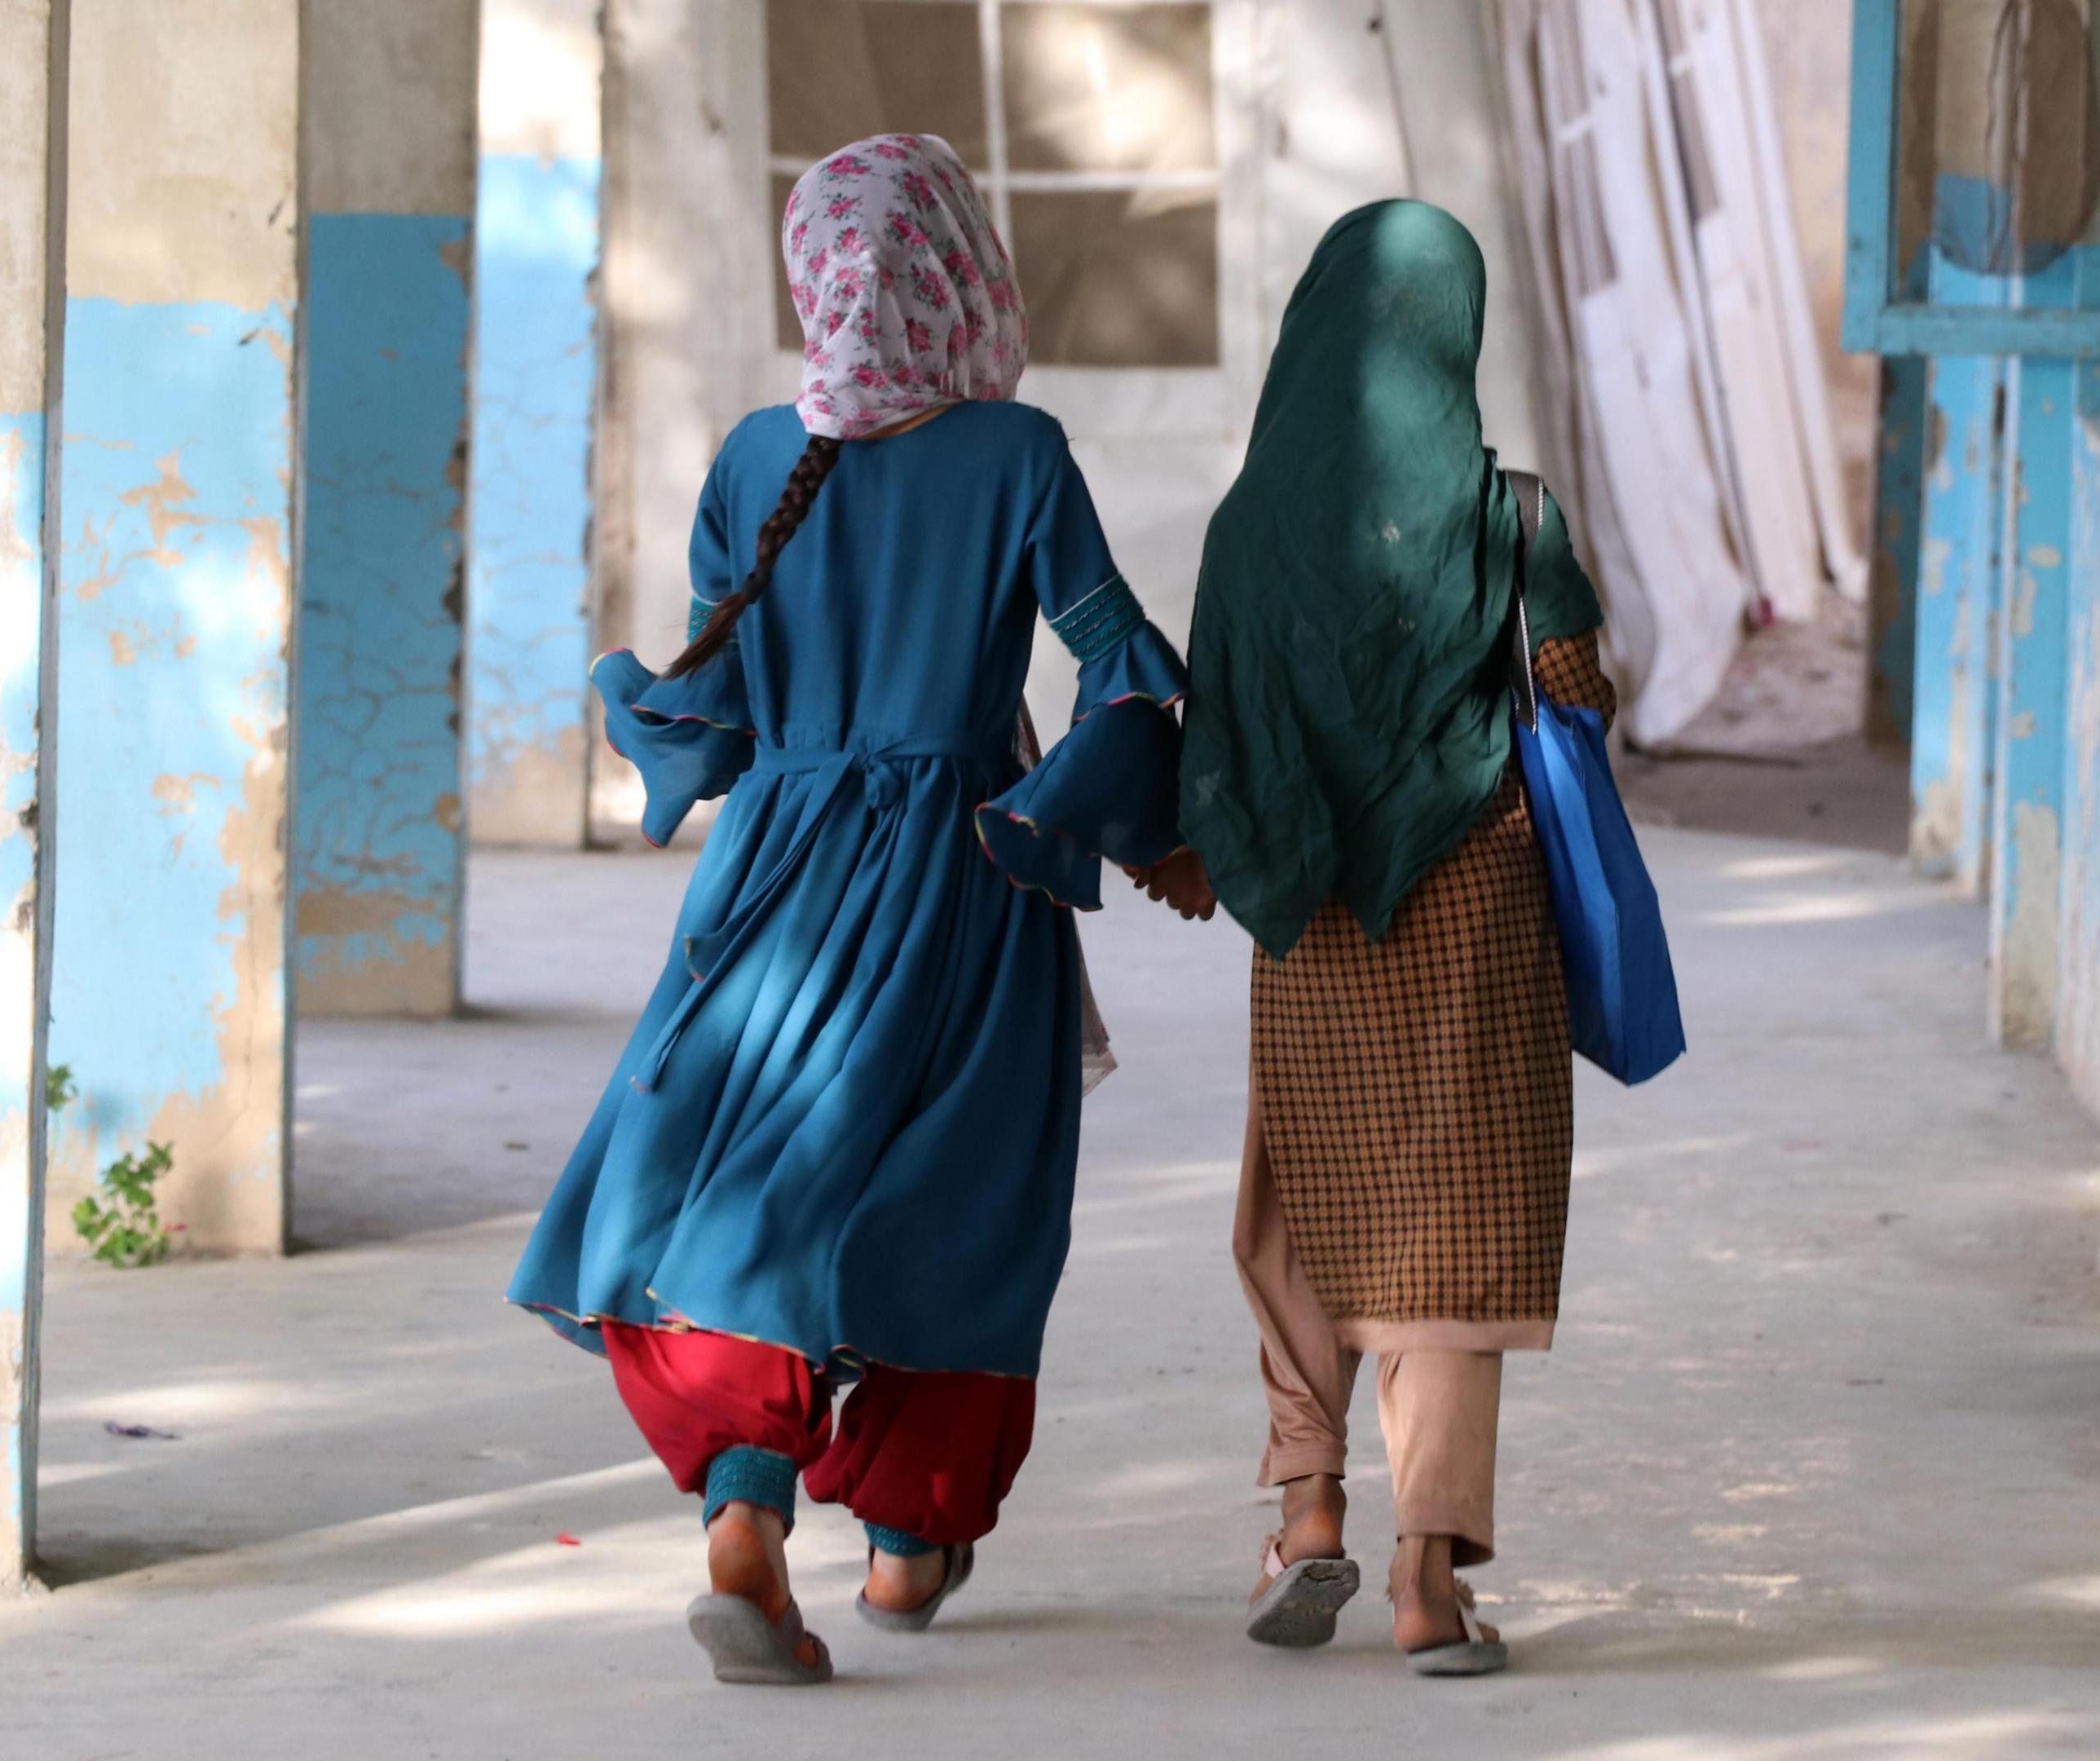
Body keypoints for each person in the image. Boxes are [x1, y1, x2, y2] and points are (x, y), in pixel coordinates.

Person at [509, 133, 1204, 1687]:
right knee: (961, 1192)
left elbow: (719, 698)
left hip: (773, 879)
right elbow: (1116, 659)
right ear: (965, 267)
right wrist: (1131, 822)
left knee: (753, 1172)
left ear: (813, 277)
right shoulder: (1019, 454)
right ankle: (908, 1536)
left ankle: (744, 1508)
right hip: (968, 874)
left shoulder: (758, 456)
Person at [1144, 199, 1620, 1679]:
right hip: (1474, 914)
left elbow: (1212, 734)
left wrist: (1221, 852)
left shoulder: (1247, 531)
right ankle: (1428, 1573)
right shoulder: (1515, 521)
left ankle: (1305, 1512)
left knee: (1304, 1203)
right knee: (1454, 1232)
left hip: (1313, 922)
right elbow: (1581, 699)